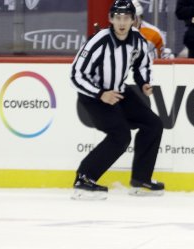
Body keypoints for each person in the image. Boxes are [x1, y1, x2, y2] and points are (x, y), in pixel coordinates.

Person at [70, 0, 164, 200]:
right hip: (94, 96)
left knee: (153, 124)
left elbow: (142, 64)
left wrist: (144, 83)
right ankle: (84, 179)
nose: (122, 22)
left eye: (126, 18)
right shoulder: (99, 41)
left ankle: (141, 179)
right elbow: (76, 75)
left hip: (119, 92)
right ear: (111, 19)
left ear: (133, 20)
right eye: (118, 18)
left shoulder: (137, 39)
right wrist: (100, 93)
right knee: (120, 136)